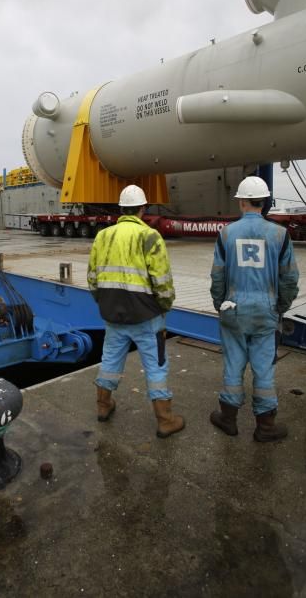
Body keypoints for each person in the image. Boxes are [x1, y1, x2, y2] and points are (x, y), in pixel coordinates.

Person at [87, 184, 185, 438]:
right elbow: (162, 281)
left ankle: (103, 406)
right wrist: (164, 306)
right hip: (146, 316)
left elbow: (92, 278)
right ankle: (165, 419)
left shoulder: (102, 236)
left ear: (122, 209)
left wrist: (104, 302)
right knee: (156, 365)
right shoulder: (150, 236)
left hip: (112, 314)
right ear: (143, 209)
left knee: (109, 360)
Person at [210, 176, 299, 442]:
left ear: (242, 201)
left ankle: (228, 419)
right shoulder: (281, 234)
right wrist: (280, 306)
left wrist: (219, 304)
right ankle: (266, 426)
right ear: (264, 201)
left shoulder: (226, 233)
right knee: (263, 368)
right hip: (266, 310)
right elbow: (290, 278)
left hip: (233, 309)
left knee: (233, 364)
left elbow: (217, 276)